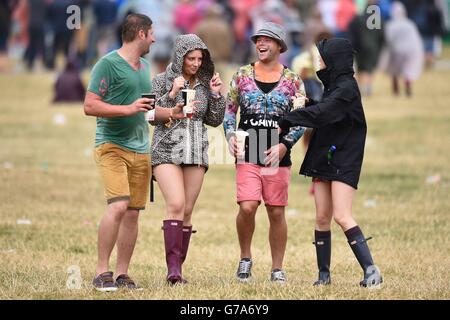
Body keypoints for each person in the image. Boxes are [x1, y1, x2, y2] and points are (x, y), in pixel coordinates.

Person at [84, 13, 187, 292]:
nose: (154, 38)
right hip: (112, 146)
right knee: (117, 206)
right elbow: (90, 106)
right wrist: (127, 109)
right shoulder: (107, 64)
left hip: (141, 150)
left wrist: (172, 113)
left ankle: (122, 274)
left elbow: (148, 111)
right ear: (141, 33)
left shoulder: (144, 66)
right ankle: (101, 272)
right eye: (151, 33)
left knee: (132, 213)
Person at [278, 38, 383, 288]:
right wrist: (307, 105)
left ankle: (372, 271)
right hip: (325, 155)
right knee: (322, 217)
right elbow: (324, 110)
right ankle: (323, 276)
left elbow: (325, 114)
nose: (318, 61)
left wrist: (289, 118)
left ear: (334, 60)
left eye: (322, 57)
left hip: (343, 159)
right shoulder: (334, 85)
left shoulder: (347, 88)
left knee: (342, 216)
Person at [223, 22, 304, 283]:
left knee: (276, 211)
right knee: (247, 207)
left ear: (280, 45)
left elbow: (303, 118)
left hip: (276, 151)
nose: (261, 43)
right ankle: (245, 259)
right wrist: (230, 135)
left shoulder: (293, 80)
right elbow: (229, 111)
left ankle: (277, 268)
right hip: (249, 147)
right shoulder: (242, 75)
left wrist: (285, 144)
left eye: (267, 39)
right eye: (258, 39)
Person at [150, 34, 225, 285]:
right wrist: (172, 93)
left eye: (199, 58)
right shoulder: (162, 80)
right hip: (166, 151)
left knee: (188, 210)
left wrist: (216, 95)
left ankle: (177, 270)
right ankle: (173, 271)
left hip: (195, 151)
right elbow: (150, 115)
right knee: (176, 203)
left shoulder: (204, 84)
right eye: (190, 58)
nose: (195, 63)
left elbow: (214, 120)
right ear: (179, 56)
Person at [383, 1, 424, 97]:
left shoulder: (390, 25)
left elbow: (387, 39)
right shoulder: (410, 24)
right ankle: (408, 87)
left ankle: (396, 91)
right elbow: (416, 39)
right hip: (410, 50)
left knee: (394, 71)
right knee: (408, 70)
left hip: (396, 50)